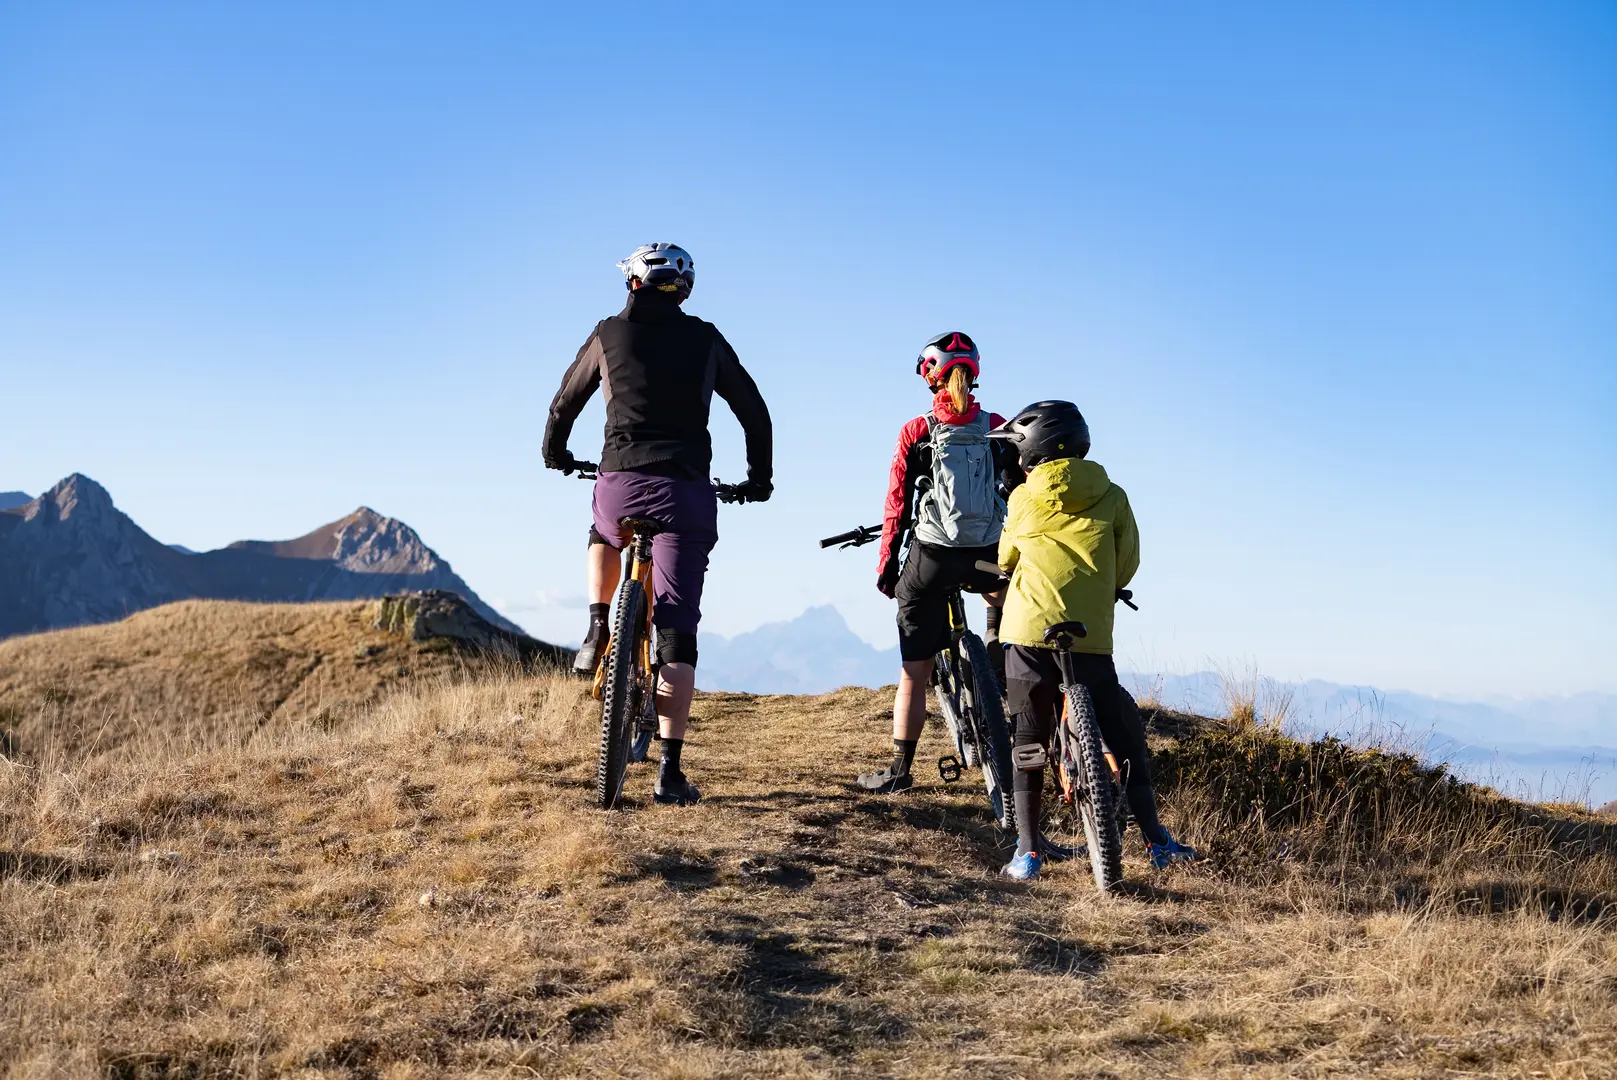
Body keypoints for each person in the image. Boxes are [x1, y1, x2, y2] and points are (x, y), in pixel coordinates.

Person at [542, 243, 772, 806]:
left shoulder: (607, 334)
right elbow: (754, 411)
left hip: (619, 482)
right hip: (685, 493)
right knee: (675, 631)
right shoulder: (706, 338)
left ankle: (599, 627)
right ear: (684, 289)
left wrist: (556, 454)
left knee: (603, 533)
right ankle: (669, 772)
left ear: (631, 284)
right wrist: (758, 480)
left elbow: (564, 402)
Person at [987, 400, 1196, 880]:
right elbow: (1127, 565)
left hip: (1027, 634)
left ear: (1030, 452)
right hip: (1091, 635)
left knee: (1029, 738)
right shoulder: (1114, 495)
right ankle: (1157, 841)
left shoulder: (1021, 499)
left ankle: (1027, 851)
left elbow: (1007, 556)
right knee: (1123, 733)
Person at [856, 331, 1020, 795]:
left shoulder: (916, 431)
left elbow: (897, 506)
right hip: (985, 557)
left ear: (929, 375)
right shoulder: (997, 425)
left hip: (933, 560)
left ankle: (899, 770)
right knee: (1000, 590)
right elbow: (1018, 491)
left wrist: (887, 569)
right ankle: (994, 638)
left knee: (914, 668)